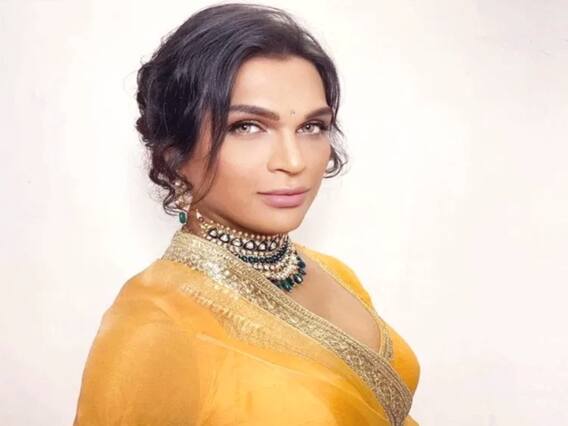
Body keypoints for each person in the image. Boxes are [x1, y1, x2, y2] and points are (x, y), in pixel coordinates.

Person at [73, 3, 420, 425]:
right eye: (248, 127)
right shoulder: (155, 322)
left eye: (311, 127)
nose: (293, 161)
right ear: (175, 153)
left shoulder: (337, 275)